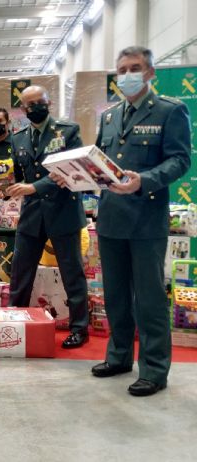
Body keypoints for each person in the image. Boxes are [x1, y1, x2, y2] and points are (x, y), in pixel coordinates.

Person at [67, 46, 189, 396]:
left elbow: (180, 161)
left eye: (134, 68)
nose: (127, 75)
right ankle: (119, 356)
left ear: (150, 72)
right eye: (121, 70)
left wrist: (145, 180)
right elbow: (102, 163)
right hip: (111, 219)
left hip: (146, 219)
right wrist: (76, 175)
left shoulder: (170, 110)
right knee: (116, 296)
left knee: (148, 298)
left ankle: (153, 369)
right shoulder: (110, 116)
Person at [6, 85, 89, 349]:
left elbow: (71, 170)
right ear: (22, 109)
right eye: (28, 105)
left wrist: (34, 188)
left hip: (63, 213)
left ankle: (79, 329)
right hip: (31, 215)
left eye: (39, 102)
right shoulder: (17, 138)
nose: (34, 108)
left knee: (72, 273)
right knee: (20, 272)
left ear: (49, 102)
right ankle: (13, 321)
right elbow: (19, 177)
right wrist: (2, 186)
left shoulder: (68, 131)